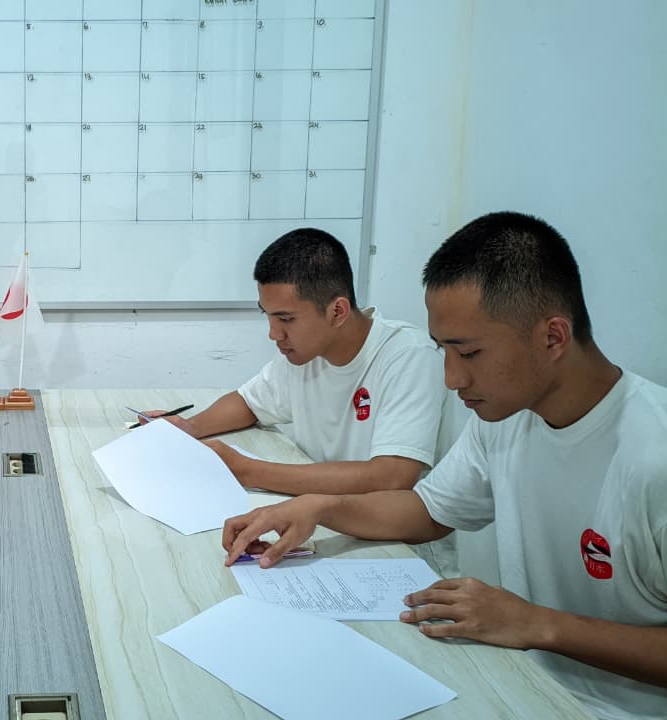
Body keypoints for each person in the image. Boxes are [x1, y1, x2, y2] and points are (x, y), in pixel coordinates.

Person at [222, 212, 667, 719]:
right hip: (518, 682)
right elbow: (428, 512)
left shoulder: (652, 456)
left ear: (553, 337)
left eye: (469, 353)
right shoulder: (505, 418)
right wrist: (320, 508)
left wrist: (538, 624)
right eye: (444, 351)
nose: (452, 379)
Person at [145, 228, 446, 496]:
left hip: (386, 536)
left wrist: (249, 470)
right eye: (267, 315)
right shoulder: (305, 354)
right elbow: (248, 402)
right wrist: (189, 427)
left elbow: (392, 476)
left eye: (286, 319)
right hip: (319, 514)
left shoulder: (408, 356)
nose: (274, 334)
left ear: (337, 312)